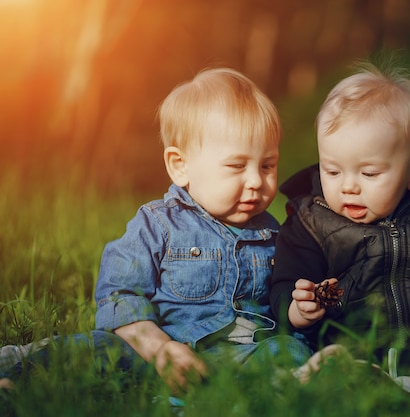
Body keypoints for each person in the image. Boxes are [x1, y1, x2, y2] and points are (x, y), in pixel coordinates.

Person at [0, 67, 312, 394]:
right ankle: (18, 374)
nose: (256, 181)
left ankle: (288, 385)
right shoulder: (158, 224)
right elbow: (121, 294)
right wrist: (159, 348)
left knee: (289, 350)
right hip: (159, 350)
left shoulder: (276, 236)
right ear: (181, 165)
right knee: (95, 349)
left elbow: (282, 305)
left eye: (267, 165)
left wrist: (302, 305)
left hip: (243, 353)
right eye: (236, 166)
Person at [269, 60, 410, 379]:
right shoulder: (310, 225)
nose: (348, 186)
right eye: (332, 171)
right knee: (343, 374)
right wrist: (298, 308)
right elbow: (283, 285)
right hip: (350, 357)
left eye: (369, 173)